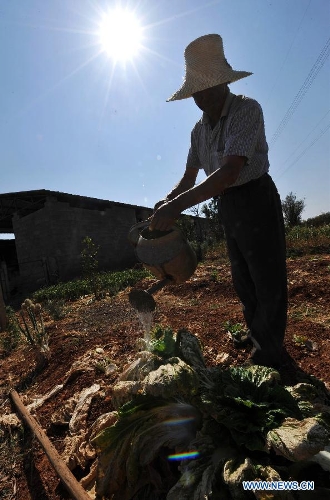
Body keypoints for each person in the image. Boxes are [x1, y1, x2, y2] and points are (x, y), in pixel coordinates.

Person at [149, 34, 287, 368]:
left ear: (221, 84)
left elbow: (229, 171)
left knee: (266, 275)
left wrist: (178, 206)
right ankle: (256, 333)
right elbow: (189, 176)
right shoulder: (199, 131)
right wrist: (167, 200)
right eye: (196, 92)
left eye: (206, 88)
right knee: (242, 277)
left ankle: (270, 351)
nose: (201, 97)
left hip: (255, 198)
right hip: (228, 205)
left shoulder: (246, 110)